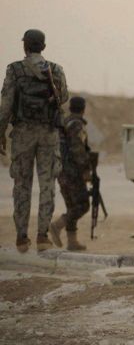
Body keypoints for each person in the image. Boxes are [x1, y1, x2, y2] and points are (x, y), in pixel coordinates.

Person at [0, 29, 68, 253]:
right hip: (48, 133)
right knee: (47, 185)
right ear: (44, 47)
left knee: (22, 185)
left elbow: (6, 104)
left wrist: (1, 131)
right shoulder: (55, 69)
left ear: (25, 46)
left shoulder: (15, 69)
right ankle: (42, 236)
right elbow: (64, 96)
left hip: (23, 134)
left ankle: (21, 238)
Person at [49, 96, 92, 250]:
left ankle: (72, 241)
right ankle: (57, 225)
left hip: (61, 170)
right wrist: (86, 170)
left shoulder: (65, 123)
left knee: (72, 205)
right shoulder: (76, 125)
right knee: (83, 205)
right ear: (83, 108)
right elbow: (77, 150)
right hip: (72, 172)